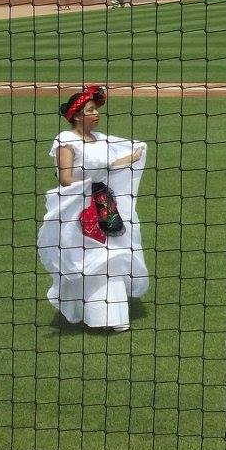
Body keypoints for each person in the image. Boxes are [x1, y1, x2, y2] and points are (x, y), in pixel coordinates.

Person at [38, 85, 149, 332]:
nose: (96, 114)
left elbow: (108, 165)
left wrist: (131, 158)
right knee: (90, 258)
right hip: (78, 206)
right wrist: (90, 185)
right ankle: (97, 315)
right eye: (90, 110)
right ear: (77, 115)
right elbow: (65, 178)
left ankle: (113, 316)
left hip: (103, 202)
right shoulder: (65, 140)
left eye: (96, 110)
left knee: (112, 255)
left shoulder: (99, 139)